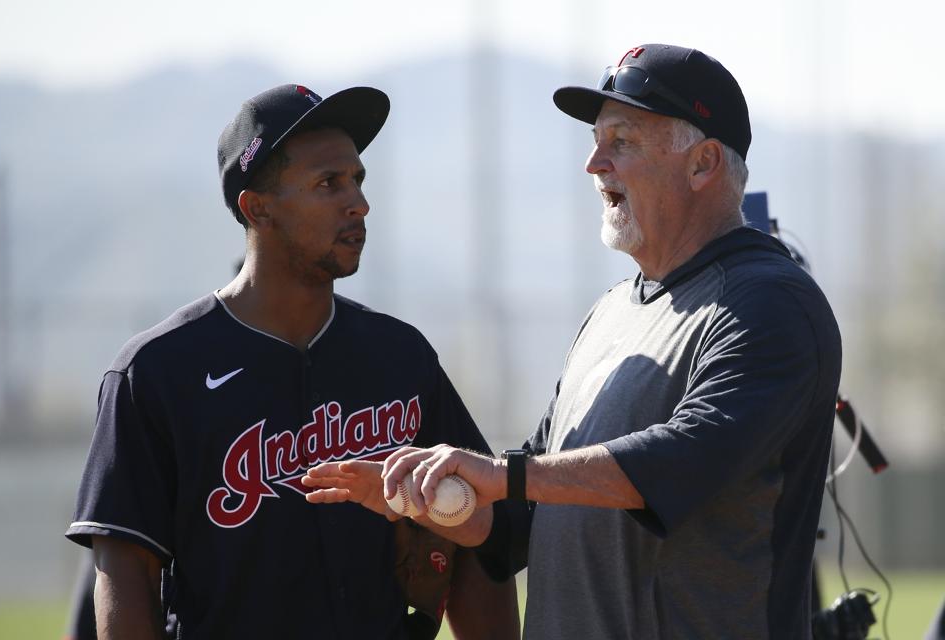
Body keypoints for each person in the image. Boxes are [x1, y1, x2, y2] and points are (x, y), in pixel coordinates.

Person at [304, 44, 843, 639]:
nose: (594, 163)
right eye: (596, 140)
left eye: (622, 141)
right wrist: (427, 499)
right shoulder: (610, 313)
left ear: (703, 163)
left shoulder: (771, 303)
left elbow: (680, 462)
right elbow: (521, 517)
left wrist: (504, 474)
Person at [65, 83, 519, 639]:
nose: (358, 202)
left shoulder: (401, 357)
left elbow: (479, 544)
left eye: (357, 179)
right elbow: (125, 573)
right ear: (258, 208)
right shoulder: (156, 372)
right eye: (328, 183)